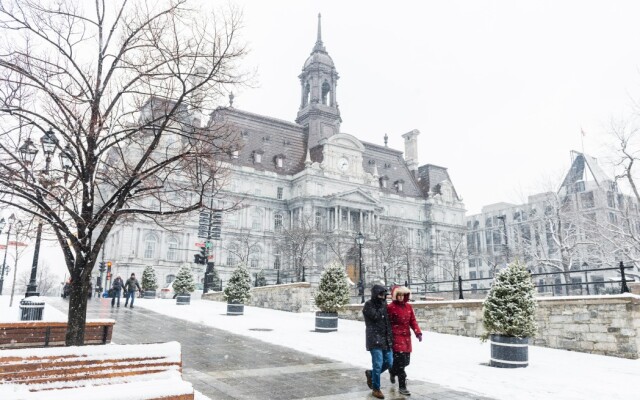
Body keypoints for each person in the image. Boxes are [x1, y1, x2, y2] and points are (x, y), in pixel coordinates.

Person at [387, 285, 422, 396]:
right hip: (396, 337)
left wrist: (418, 332)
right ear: (395, 296)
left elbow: (413, 321)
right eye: (399, 295)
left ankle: (392, 371)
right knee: (401, 364)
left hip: (406, 338)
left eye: (403, 295)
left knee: (406, 362)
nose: (401, 297)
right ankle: (402, 386)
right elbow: (387, 323)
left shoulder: (408, 307)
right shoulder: (391, 307)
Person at [362, 284, 394, 399]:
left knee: (390, 362)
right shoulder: (368, 305)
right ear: (375, 294)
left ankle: (371, 374)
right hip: (374, 339)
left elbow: (388, 323)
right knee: (377, 364)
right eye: (381, 294)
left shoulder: (384, 305)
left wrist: (391, 337)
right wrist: (382, 305)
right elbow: (376, 317)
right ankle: (376, 389)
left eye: (384, 295)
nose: (383, 297)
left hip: (385, 339)